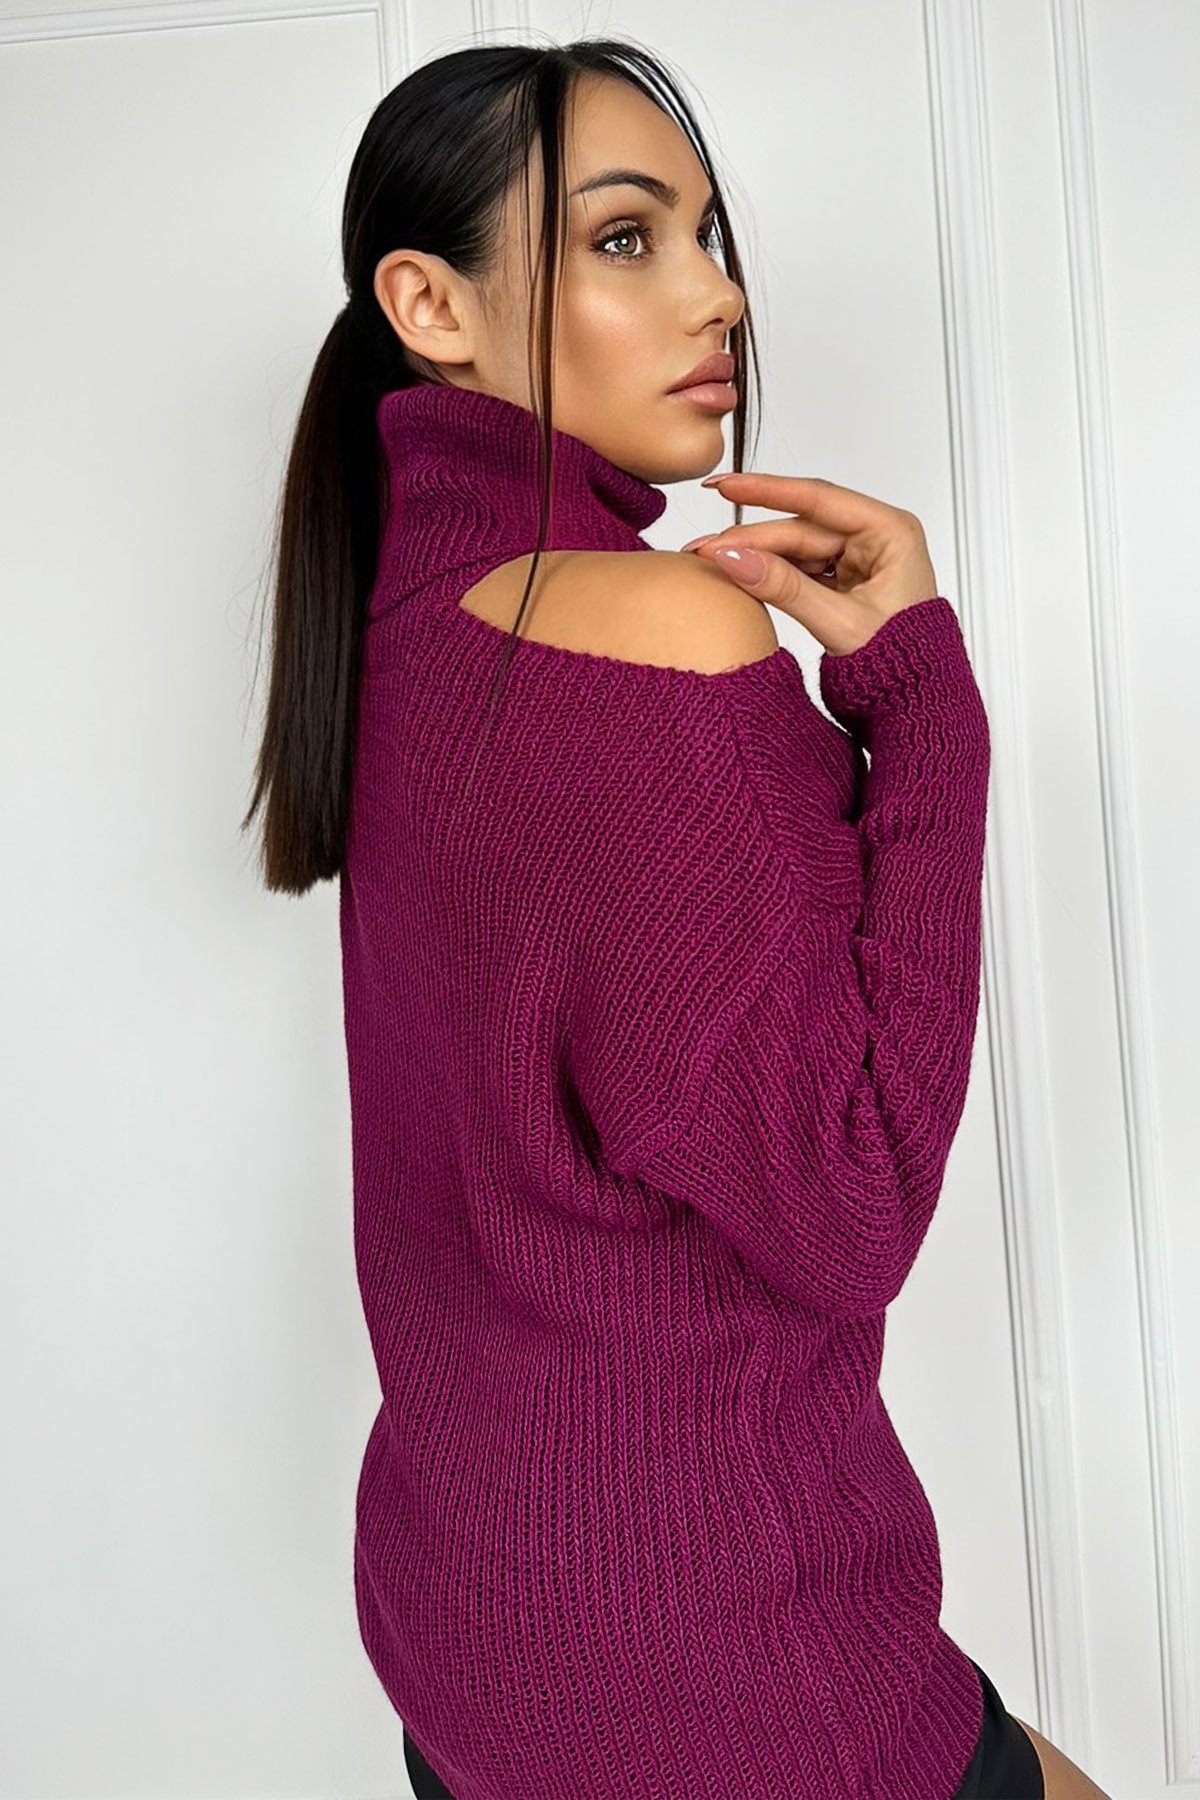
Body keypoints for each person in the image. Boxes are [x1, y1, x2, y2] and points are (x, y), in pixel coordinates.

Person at [241, 36, 1113, 1800]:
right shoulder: (661, 631)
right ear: (431, 305)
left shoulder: (399, 627)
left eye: (707, 234)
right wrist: (921, 707)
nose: (719, 293)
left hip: (462, 1636)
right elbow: (849, 1206)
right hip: (722, 1666)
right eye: (625, 239)